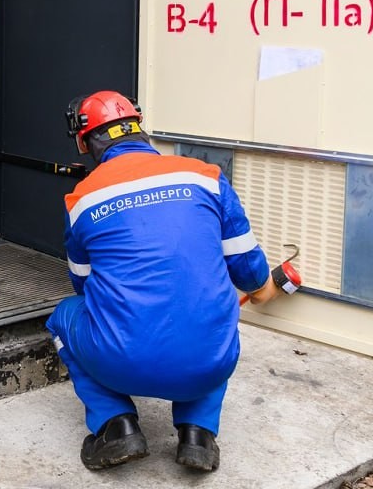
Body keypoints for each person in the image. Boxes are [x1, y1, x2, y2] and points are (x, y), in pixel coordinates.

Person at [46, 90, 284, 472]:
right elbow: (249, 270)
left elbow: (84, 289)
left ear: (86, 142)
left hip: (121, 361)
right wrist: (263, 290)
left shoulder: (81, 200)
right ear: (139, 127)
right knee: (210, 309)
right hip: (209, 362)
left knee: (64, 314)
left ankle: (115, 424)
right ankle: (198, 434)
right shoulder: (206, 176)